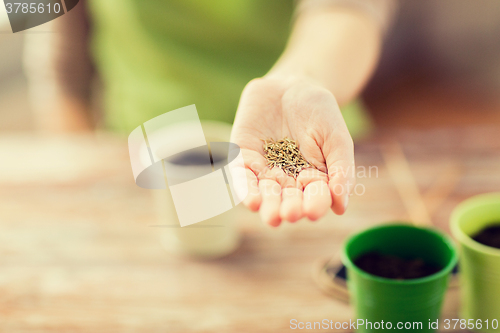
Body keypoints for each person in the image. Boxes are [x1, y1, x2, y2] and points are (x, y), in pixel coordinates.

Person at [24, 0, 500, 226]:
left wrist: (300, 81)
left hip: (301, 152)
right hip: (142, 163)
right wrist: (81, 168)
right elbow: (53, 40)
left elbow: (351, 9)